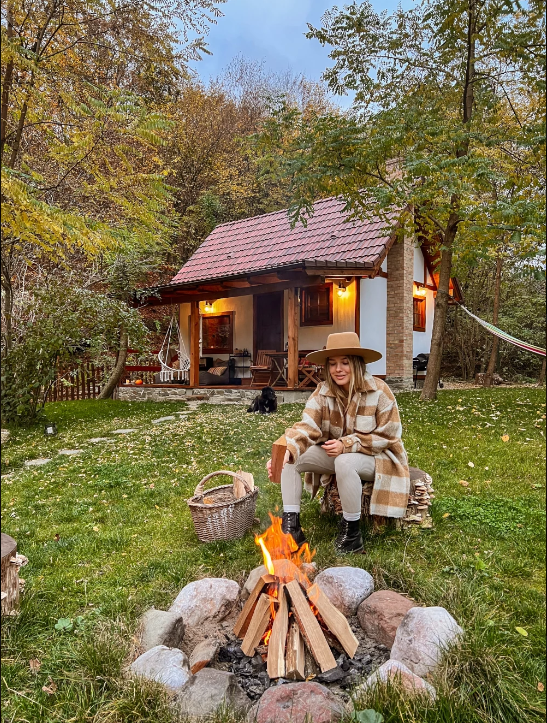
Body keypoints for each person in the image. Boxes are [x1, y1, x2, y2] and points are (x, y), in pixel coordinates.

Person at [267, 332, 410, 554]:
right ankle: (291, 529)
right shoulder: (323, 392)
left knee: (344, 461)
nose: (338, 369)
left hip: (379, 458)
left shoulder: (379, 391)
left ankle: (352, 535)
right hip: (337, 454)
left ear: (357, 364)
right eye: (332, 364)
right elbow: (307, 426)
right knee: (293, 457)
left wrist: (347, 444)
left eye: (345, 362)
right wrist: (287, 450)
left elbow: (388, 435)